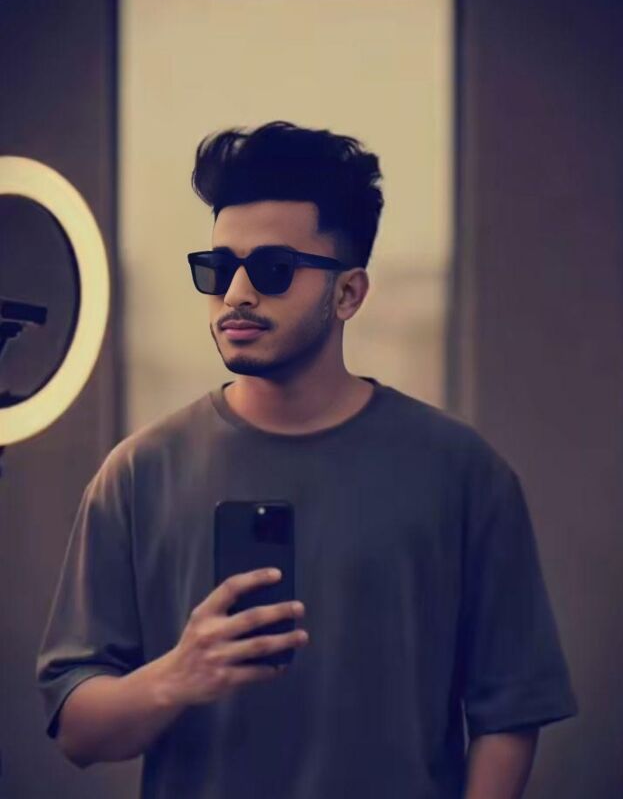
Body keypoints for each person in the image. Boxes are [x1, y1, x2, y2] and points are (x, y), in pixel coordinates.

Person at [36, 120, 578, 799]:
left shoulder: (463, 475)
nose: (236, 293)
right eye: (218, 268)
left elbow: (509, 714)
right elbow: (77, 733)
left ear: (349, 293)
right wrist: (177, 675)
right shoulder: (138, 474)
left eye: (273, 269)